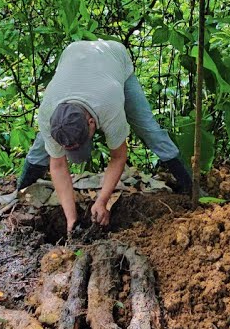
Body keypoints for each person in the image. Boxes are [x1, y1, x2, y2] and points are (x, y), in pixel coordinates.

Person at [17, 39, 193, 234]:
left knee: (148, 130)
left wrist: (102, 201)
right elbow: (57, 165)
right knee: (42, 145)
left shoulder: (109, 105)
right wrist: (71, 219)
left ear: (92, 122)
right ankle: (21, 190)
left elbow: (118, 157)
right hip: (74, 55)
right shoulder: (47, 115)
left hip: (114, 59)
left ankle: (191, 186)